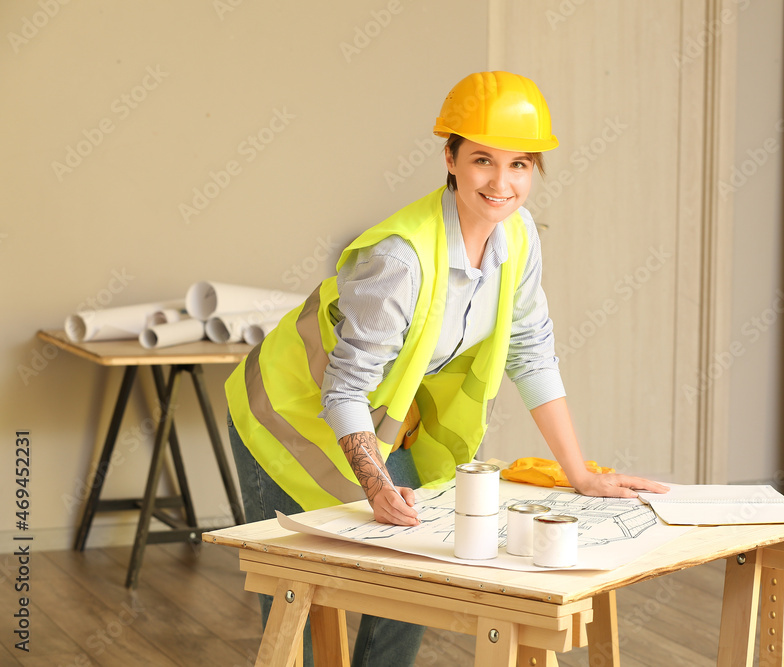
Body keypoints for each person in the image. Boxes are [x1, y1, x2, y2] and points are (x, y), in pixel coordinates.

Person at [225, 70, 668, 667]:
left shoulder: (518, 237)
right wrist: (377, 486)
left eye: (519, 165)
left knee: (412, 569)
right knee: (296, 592)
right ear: (451, 160)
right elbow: (346, 387)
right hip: (284, 410)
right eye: (483, 160)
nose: (501, 183)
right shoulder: (400, 259)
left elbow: (531, 350)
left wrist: (579, 474)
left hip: (374, 418)